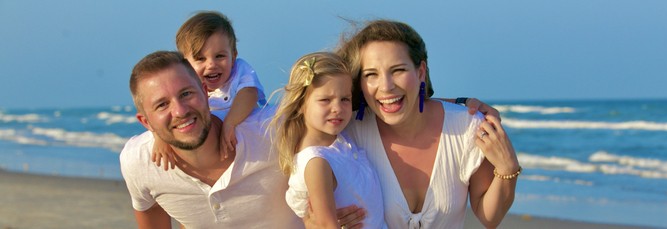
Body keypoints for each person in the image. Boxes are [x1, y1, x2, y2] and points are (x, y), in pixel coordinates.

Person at [328, 20, 520, 228]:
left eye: (398, 70)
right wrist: (314, 221)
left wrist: (508, 168)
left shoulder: (466, 126)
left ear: (420, 72)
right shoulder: (348, 134)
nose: (386, 86)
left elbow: (489, 217)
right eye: (371, 74)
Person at [120, 51, 301, 228]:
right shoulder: (139, 161)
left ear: (205, 93)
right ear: (146, 122)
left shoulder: (274, 129)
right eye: (162, 104)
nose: (180, 111)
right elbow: (150, 210)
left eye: (186, 94)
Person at [269, 52, 386, 228]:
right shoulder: (317, 162)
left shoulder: (340, 141)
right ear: (301, 104)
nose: (337, 108)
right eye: (325, 100)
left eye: (345, 99)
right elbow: (325, 225)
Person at [152, 11, 268, 169]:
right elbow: (161, 111)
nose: (211, 64)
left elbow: (249, 93)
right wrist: (160, 138)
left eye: (220, 56)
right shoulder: (184, 83)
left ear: (233, 56)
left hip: (249, 142)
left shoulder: (239, 70)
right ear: (185, 64)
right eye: (200, 59)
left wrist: (230, 123)